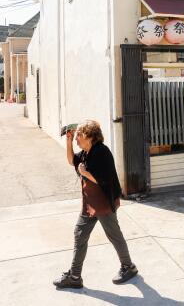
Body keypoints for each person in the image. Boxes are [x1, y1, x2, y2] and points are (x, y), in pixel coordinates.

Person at [53, 120, 138, 289]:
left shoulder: (102, 152)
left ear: (89, 136)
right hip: (89, 203)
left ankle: (128, 267)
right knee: (79, 233)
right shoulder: (85, 152)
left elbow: (104, 179)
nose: (77, 138)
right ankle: (75, 276)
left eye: (78, 135)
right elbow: (72, 161)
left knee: (114, 235)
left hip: (103, 203)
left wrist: (85, 173)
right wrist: (68, 141)